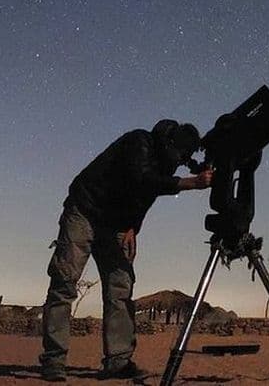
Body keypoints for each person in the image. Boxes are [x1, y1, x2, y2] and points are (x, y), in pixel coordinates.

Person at [39, 119, 213, 382]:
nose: (178, 162)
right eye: (179, 156)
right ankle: (54, 360)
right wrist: (191, 183)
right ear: (169, 143)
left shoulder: (162, 165)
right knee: (64, 283)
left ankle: (118, 362)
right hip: (84, 210)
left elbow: (144, 198)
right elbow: (141, 180)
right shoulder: (139, 141)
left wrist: (133, 227)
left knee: (120, 289)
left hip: (117, 224)